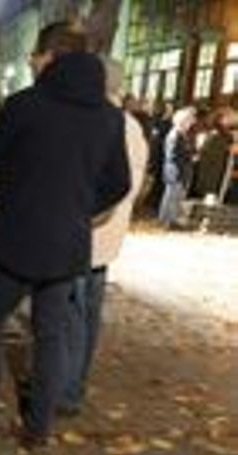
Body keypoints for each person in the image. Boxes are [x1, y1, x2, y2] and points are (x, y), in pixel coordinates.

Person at [0, 22, 130, 447]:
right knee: (51, 335)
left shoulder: (25, 105)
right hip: (68, 244)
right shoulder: (109, 117)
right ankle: (38, 428)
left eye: (35, 54)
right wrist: (79, 207)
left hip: (17, 239)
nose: (30, 61)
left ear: (52, 57)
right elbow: (118, 183)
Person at [62, 58, 149, 417]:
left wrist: (75, 216)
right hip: (107, 239)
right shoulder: (131, 127)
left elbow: (106, 185)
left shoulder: (105, 123)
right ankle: (73, 384)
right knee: (88, 316)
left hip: (87, 234)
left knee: (72, 316)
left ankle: (65, 390)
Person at [157, 106, 196, 228]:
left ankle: (170, 220)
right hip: (175, 170)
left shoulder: (182, 135)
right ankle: (167, 220)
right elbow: (173, 155)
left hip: (180, 170)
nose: (190, 124)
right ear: (182, 121)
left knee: (176, 196)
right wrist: (190, 157)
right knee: (171, 197)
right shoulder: (175, 135)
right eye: (189, 121)